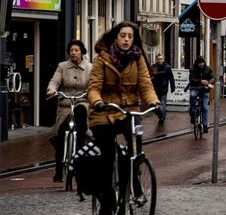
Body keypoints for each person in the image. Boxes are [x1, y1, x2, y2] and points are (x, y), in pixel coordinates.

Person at [87, 22, 158, 215]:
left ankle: (132, 181)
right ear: (115, 38)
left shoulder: (138, 58)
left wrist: (154, 103)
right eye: (123, 36)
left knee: (135, 147)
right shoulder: (102, 58)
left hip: (129, 110)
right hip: (105, 110)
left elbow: (145, 84)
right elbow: (93, 87)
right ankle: (107, 196)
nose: (126, 39)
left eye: (130, 36)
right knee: (107, 155)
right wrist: (98, 102)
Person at [46, 39, 91, 182]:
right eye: (71, 50)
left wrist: (92, 91)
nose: (73, 53)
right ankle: (59, 170)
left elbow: (94, 83)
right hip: (65, 105)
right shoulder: (62, 66)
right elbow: (55, 81)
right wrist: (51, 90)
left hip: (82, 102)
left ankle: (79, 154)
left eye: (76, 50)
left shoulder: (90, 68)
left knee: (81, 118)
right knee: (59, 133)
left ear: (82, 52)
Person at [187, 56, 214, 133]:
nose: (201, 65)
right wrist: (200, 81)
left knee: (205, 107)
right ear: (197, 64)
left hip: (205, 90)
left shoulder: (208, 69)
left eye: (202, 63)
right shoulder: (192, 69)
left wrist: (208, 83)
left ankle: (205, 125)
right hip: (195, 87)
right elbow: (191, 80)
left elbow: (213, 77)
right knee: (192, 95)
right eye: (200, 63)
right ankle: (192, 112)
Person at [150, 54, 175, 126]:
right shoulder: (154, 67)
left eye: (161, 59)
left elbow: (171, 78)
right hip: (155, 89)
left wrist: (173, 87)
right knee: (153, 105)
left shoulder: (167, 67)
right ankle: (160, 115)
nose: (160, 60)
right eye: (158, 59)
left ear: (163, 59)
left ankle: (162, 118)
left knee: (163, 104)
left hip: (164, 88)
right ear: (156, 60)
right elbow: (149, 76)